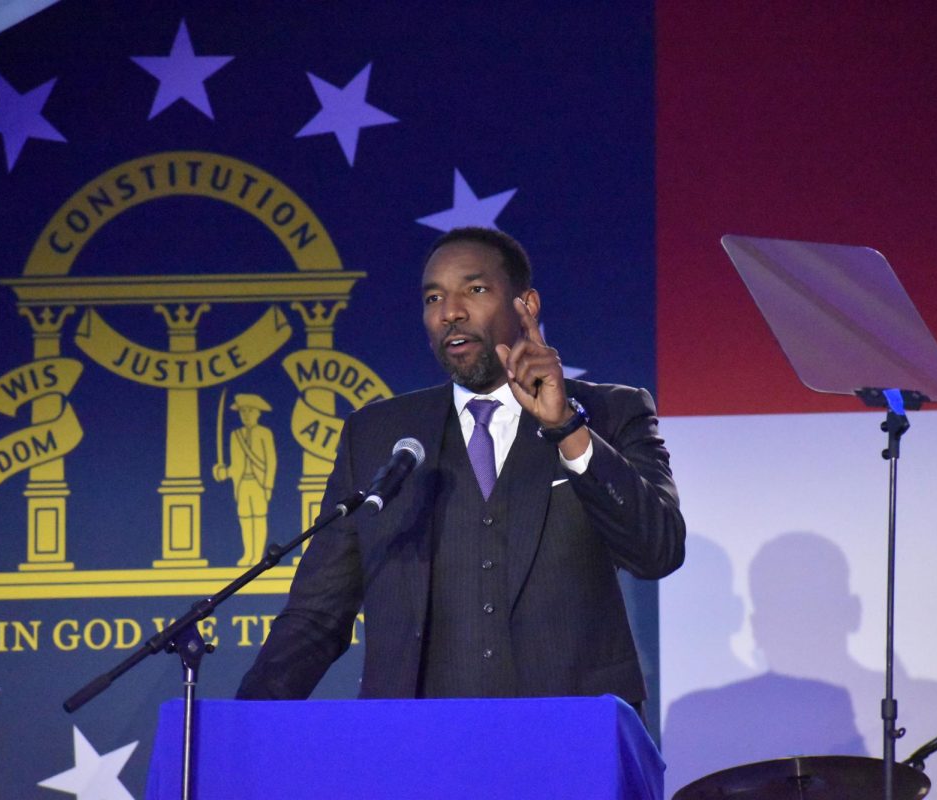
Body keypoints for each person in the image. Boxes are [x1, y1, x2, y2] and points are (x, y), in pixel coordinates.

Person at [236, 227, 685, 706]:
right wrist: (239, 729)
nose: (450, 312)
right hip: (418, 748)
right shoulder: (375, 436)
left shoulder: (613, 413)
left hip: (569, 740)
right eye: (434, 297)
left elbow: (656, 550)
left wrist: (568, 429)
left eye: (474, 290)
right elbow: (317, 614)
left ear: (526, 305)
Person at [213, 393, 277, 566]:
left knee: (259, 517)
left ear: (257, 413)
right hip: (242, 484)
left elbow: (271, 462)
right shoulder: (236, 435)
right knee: (245, 518)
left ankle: (258, 555)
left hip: (259, 484)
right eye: (243, 412)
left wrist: (268, 487)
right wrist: (224, 473)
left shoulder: (264, 433)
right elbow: (236, 466)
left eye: (250, 411)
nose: (246, 415)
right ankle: (249, 554)